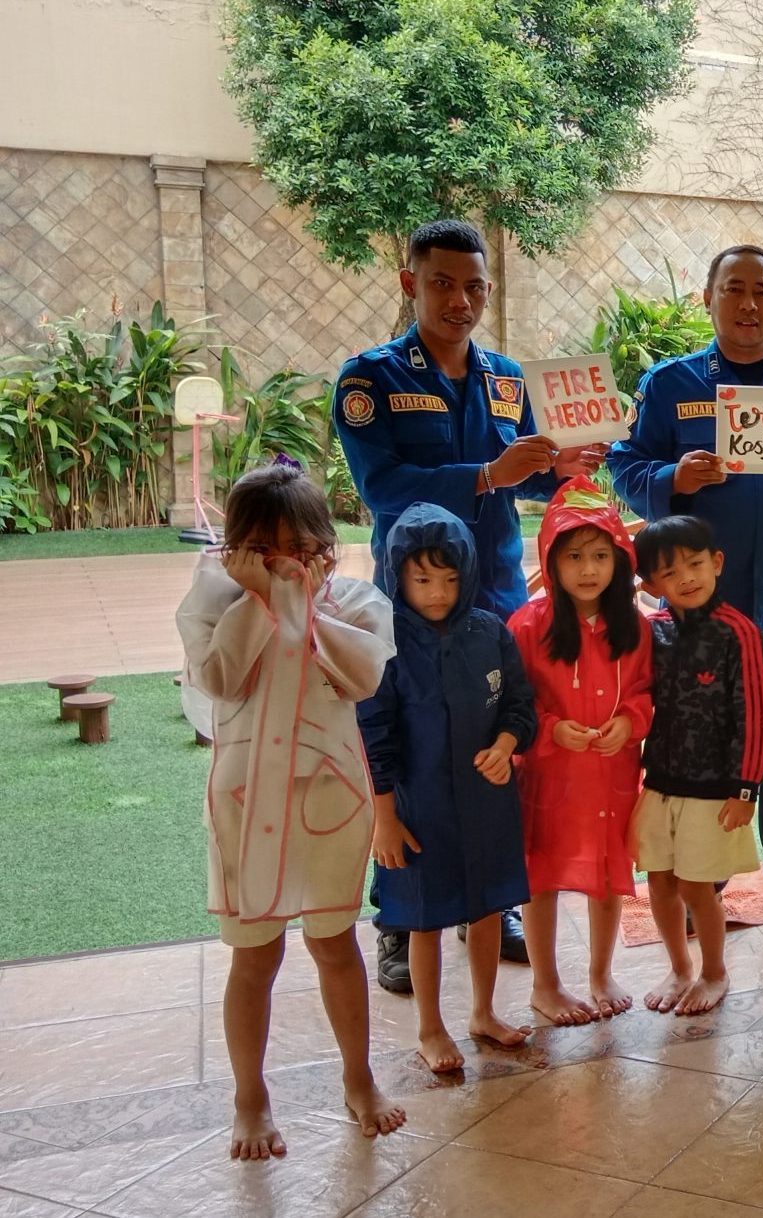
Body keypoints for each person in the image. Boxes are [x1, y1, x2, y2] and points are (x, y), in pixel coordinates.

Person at [334, 218, 603, 987]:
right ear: (410, 283)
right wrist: (487, 474)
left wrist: (565, 465)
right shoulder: (370, 379)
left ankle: (490, 900)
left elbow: (529, 471)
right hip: (413, 604)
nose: (461, 301)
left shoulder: (509, 379)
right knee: (410, 751)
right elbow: (381, 486)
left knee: (496, 746)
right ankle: (399, 916)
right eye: (444, 284)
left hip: (496, 593)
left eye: (475, 287)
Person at [608, 245, 763, 938]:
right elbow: (625, 464)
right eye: (733, 289)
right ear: (708, 298)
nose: (748, 304)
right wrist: (673, 479)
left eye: (762, 291)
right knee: (703, 738)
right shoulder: (669, 384)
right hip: (697, 608)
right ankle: (706, 879)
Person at [176, 460, 407, 1160]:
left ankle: (359, 1079)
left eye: (299, 548)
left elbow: (361, 677)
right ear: (236, 549)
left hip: (330, 805)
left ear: (324, 546)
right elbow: (220, 681)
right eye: (264, 549)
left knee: (335, 945)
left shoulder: (355, 602)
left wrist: (299, 608)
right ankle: (249, 1097)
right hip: (245, 806)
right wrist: (257, 602)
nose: (284, 563)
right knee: (255, 955)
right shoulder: (213, 601)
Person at [360, 503, 539, 1074]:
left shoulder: (490, 632)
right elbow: (374, 736)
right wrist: (385, 818)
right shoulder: (386, 645)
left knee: (487, 910)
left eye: (449, 578)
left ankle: (483, 1012)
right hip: (419, 808)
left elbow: (520, 705)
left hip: (487, 804)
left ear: (468, 574)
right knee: (425, 919)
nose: (437, 592)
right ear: (397, 578)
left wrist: (506, 744)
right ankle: (430, 1027)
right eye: (421, 580)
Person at [508, 479, 652, 1025]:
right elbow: (512, 703)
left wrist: (630, 721)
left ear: (619, 559)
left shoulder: (634, 626)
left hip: (613, 776)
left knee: (608, 875)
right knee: (540, 878)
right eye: (573, 556)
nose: (588, 569)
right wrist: (549, 730)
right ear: (550, 559)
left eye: (599, 555)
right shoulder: (527, 626)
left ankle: (600, 972)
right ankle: (545, 983)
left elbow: (645, 691)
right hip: (549, 780)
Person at [633, 514, 763, 1016]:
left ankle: (714, 972)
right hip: (659, 781)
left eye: (695, 564)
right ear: (652, 585)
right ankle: (678, 968)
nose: (687, 578)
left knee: (697, 886)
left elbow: (755, 714)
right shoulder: (653, 631)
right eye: (670, 572)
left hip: (715, 789)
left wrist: (746, 789)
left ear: (716, 563)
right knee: (659, 880)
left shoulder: (739, 632)